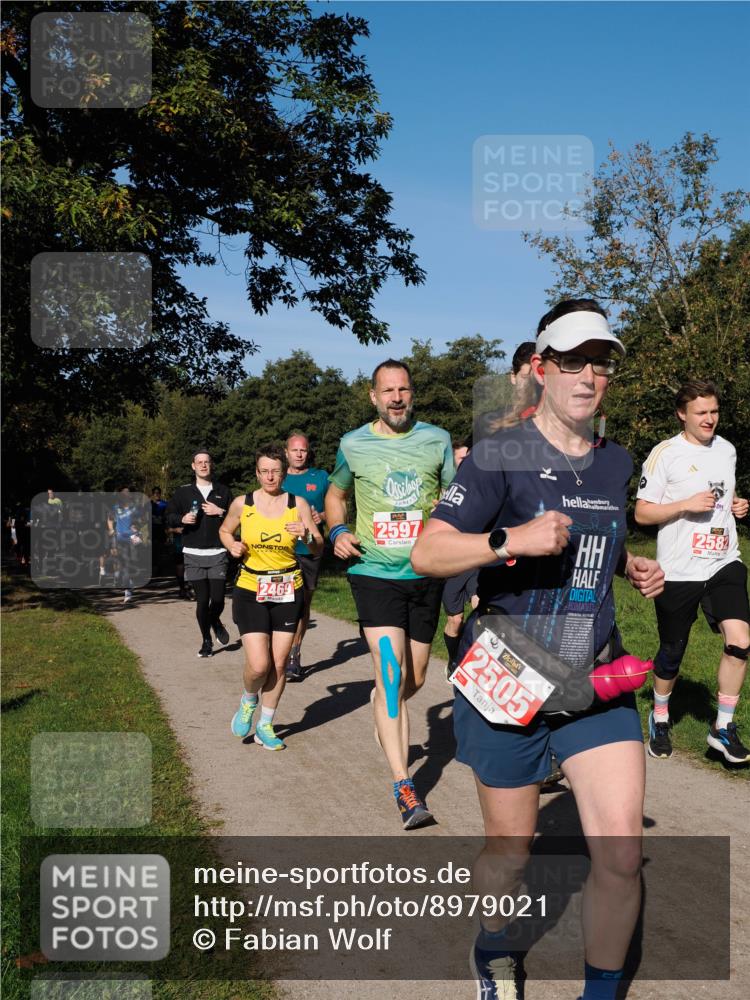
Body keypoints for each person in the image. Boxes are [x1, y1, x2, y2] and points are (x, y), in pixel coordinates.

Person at [412, 299, 664, 999]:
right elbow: (427, 549)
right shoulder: (499, 454)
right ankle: (493, 950)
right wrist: (507, 541)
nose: (590, 376)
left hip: (593, 680)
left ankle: (601, 991)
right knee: (510, 852)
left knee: (620, 857)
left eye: (602, 363)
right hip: (509, 679)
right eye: (574, 361)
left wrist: (627, 565)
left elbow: (596, 538)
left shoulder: (616, 463)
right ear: (541, 369)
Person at [325, 359, 454, 829]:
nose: (397, 397)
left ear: (411, 394)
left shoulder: (437, 440)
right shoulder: (353, 444)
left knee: (413, 678)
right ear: (373, 396)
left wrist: (449, 507)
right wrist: (337, 528)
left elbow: (459, 495)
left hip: (424, 572)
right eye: (388, 391)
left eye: (404, 390)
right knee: (392, 671)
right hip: (374, 572)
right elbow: (336, 494)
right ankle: (405, 786)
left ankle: (385, 710)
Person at [635, 379, 750, 764]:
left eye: (714, 411)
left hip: (723, 560)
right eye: (701, 413)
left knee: (740, 641)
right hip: (679, 569)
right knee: (672, 652)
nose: (710, 419)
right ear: (681, 414)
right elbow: (642, 512)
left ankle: (722, 727)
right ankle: (661, 715)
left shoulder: (728, 450)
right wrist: (684, 504)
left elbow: (721, 492)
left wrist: (736, 505)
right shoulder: (664, 453)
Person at [220, 444, 323, 750]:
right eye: (264, 471)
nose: (270, 476)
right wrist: (232, 546)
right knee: (258, 665)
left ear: (283, 472)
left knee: (279, 664)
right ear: (257, 472)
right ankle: (249, 699)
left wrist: (306, 534)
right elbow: (225, 531)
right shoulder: (243, 503)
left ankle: (266, 724)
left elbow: (318, 545)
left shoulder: (297, 503)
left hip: (288, 588)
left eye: (275, 471)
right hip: (251, 589)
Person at [166, 451, 233, 657]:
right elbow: (169, 516)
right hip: (193, 553)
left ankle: (214, 619)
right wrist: (182, 519)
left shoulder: (223, 491)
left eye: (207, 462)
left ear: (211, 465)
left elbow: (237, 517)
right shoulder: (183, 493)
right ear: (193, 466)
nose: (203, 465)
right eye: (199, 462)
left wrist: (220, 511)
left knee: (219, 600)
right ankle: (206, 641)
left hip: (218, 551)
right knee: (202, 601)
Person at [282, 432, 329, 681]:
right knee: (284, 602)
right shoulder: (278, 477)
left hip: (311, 550)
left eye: (303, 450)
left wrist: (323, 515)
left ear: (307, 452)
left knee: (302, 604)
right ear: (286, 452)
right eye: (295, 450)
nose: (299, 454)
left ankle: (294, 654)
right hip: (283, 550)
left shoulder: (320, 477)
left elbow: (337, 507)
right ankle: (279, 651)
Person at [441, 435, 479, 682]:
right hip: (452, 564)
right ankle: (454, 659)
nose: (466, 461)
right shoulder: (442, 489)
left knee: (481, 609)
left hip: (477, 560)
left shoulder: (481, 486)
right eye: (461, 458)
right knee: (455, 620)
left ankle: (475, 662)